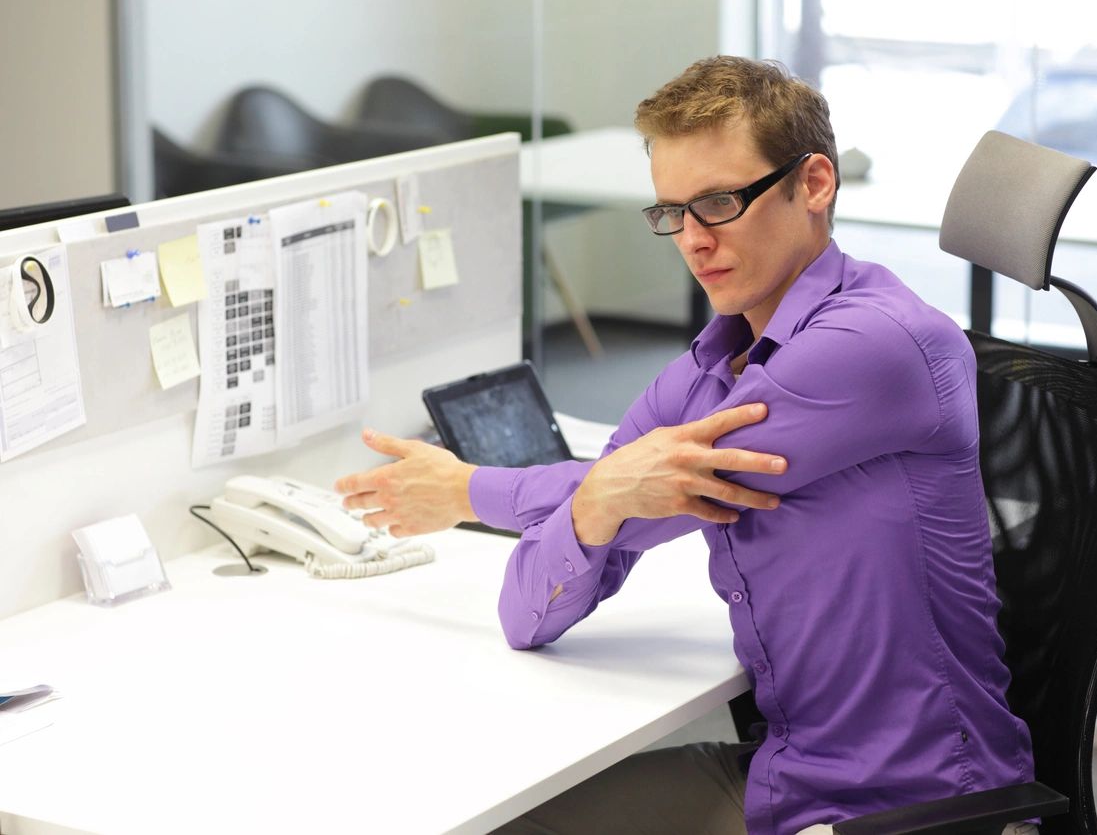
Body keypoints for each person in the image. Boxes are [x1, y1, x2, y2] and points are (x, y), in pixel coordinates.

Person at [335, 56, 1036, 835]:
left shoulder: (874, 345)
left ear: (813, 185)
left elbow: (641, 489)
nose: (693, 242)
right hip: (794, 776)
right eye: (671, 212)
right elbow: (528, 612)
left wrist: (485, 493)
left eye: (719, 203)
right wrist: (595, 497)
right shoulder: (709, 370)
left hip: (919, 809)